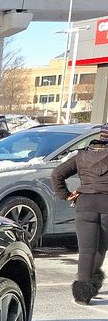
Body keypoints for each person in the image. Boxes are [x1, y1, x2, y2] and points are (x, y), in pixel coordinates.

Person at [52, 123, 108, 305]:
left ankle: (82, 294)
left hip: (84, 204)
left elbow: (56, 174)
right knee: (100, 249)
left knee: (86, 251)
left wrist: (66, 195)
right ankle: (91, 284)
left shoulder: (81, 156)